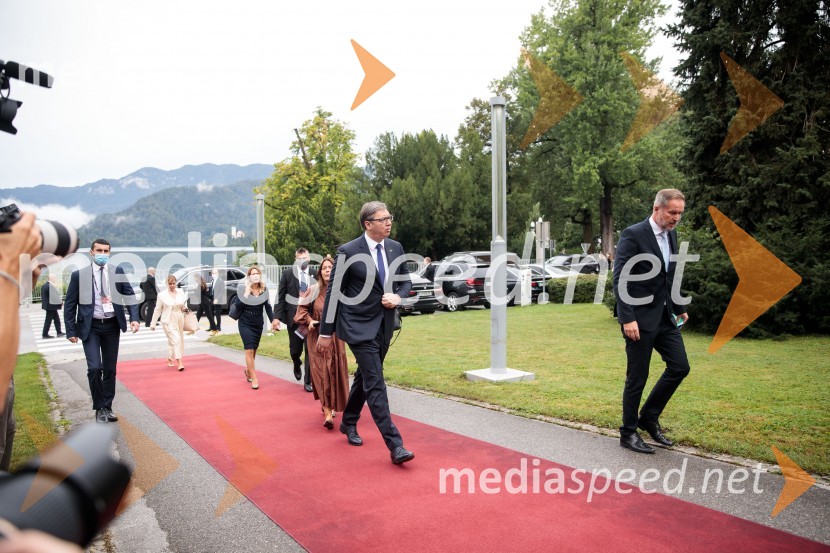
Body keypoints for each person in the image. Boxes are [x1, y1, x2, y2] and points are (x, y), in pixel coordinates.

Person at [318, 201, 414, 465]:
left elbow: (405, 281)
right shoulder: (348, 251)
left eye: (389, 218)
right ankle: (395, 445)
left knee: (365, 376)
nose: (389, 222)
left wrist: (398, 296)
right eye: (383, 219)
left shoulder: (395, 248)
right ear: (367, 224)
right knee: (375, 381)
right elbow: (334, 294)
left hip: (384, 324)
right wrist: (326, 333)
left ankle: (348, 421)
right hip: (357, 326)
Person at [612, 188, 690, 454]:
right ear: (657, 208)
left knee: (680, 366)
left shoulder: (672, 235)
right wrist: (627, 318)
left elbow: (669, 276)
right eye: (672, 212)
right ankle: (628, 432)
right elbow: (620, 278)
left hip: (665, 318)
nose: (676, 218)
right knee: (638, 377)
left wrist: (679, 306)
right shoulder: (633, 235)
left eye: (680, 213)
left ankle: (648, 417)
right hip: (638, 319)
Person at [64, 239, 141, 424]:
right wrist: (70, 330)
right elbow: (70, 305)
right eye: (99, 250)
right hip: (90, 327)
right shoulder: (79, 276)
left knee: (109, 369)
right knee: (94, 367)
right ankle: (99, 408)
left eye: (106, 251)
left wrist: (135, 318)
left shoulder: (117, 272)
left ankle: (107, 406)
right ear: (91, 252)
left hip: (112, 326)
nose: (102, 253)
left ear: (109, 253)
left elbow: (129, 295)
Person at [294, 256, 349, 429]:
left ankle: (332, 404)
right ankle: (327, 412)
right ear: (320, 272)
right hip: (316, 337)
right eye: (324, 268)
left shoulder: (342, 291)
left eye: (330, 268)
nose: (327, 270)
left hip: (336, 337)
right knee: (321, 373)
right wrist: (310, 320)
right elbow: (301, 311)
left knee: (335, 370)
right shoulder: (312, 290)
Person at [274, 247, 316, 392]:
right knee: (295, 350)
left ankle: (308, 381)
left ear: (309, 258)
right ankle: (296, 363)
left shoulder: (315, 274)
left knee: (310, 351)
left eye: (304, 258)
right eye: (299, 258)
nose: (302, 261)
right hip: (294, 319)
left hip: (310, 319)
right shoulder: (287, 274)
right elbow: (280, 296)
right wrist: (276, 318)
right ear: (295, 259)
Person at [233, 266, 280, 390]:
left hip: (258, 323)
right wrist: (247, 293)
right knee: (249, 350)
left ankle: (248, 370)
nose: (255, 275)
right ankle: (254, 377)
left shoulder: (264, 289)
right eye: (252, 273)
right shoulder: (243, 288)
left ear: (260, 275)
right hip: (245, 323)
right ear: (249, 276)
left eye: (257, 273)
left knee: (254, 351)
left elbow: (268, 307)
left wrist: (273, 321)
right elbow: (238, 306)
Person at [149, 275, 187, 371]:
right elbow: (157, 310)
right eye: (170, 283)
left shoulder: (181, 292)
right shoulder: (162, 295)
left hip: (179, 317)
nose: (172, 285)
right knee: (176, 339)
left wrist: (184, 308)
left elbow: (183, 305)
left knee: (173, 341)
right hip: (168, 320)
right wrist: (153, 323)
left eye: (174, 283)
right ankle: (180, 362)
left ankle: (170, 358)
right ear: (167, 283)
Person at [40, 273, 64, 339]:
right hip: (50, 307)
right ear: (51, 278)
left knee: (56, 319)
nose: (55, 279)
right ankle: (45, 334)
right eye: (54, 278)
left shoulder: (45, 285)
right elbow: (54, 297)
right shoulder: (49, 286)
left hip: (49, 306)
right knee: (48, 320)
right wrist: (60, 302)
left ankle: (59, 332)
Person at [209, 267, 225, 334]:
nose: (213, 274)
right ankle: (212, 326)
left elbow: (221, 291)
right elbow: (211, 290)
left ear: (218, 273)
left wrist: (217, 299)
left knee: (217, 313)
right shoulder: (212, 281)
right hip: (212, 298)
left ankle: (218, 327)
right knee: (211, 313)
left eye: (215, 273)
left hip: (217, 299)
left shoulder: (220, 281)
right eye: (212, 273)